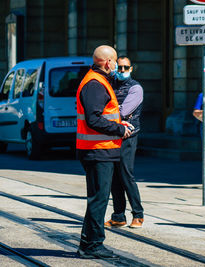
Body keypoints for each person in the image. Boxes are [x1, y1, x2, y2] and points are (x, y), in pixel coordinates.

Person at [76, 45, 132, 259]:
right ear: (108, 62)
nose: (117, 66)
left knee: (97, 198)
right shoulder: (95, 84)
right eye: (116, 62)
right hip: (96, 150)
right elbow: (94, 119)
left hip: (100, 150)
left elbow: (100, 116)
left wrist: (119, 125)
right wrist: (120, 129)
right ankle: (92, 245)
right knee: (98, 199)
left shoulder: (96, 81)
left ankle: (88, 243)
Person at [104, 56, 144, 229]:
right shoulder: (111, 84)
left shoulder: (135, 88)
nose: (121, 71)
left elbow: (124, 111)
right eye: (119, 67)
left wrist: (107, 113)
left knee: (126, 173)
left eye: (125, 68)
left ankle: (138, 215)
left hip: (129, 134)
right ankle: (118, 216)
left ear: (131, 68)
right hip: (113, 134)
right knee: (114, 175)